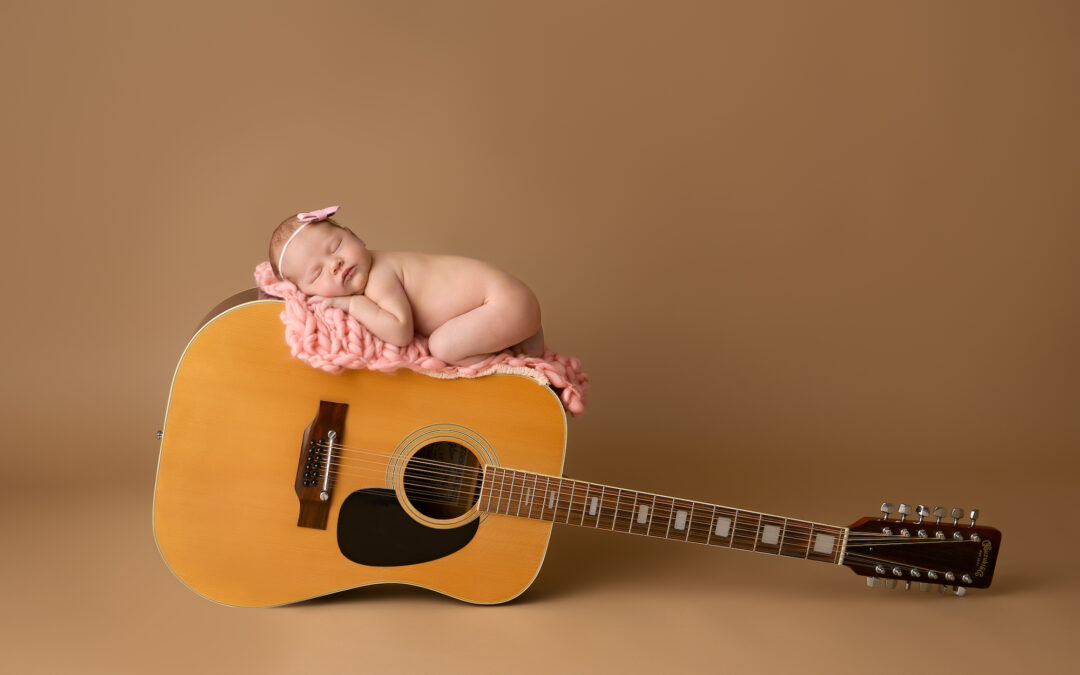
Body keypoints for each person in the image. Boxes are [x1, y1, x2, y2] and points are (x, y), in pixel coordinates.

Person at [269, 206, 546, 366]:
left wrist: (353, 304)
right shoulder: (377, 268)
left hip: (503, 305)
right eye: (317, 273)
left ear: (355, 236)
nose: (335, 264)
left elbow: (400, 331)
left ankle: (510, 365)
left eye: (336, 246)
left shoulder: (380, 275)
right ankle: (525, 351)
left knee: (442, 348)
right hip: (511, 300)